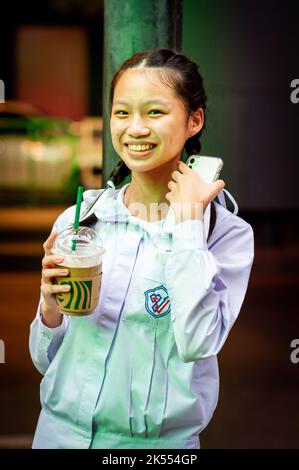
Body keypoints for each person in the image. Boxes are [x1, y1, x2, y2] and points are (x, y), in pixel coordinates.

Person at [29, 48, 254, 449]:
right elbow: (46, 362)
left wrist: (187, 228)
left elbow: (198, 341)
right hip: (57, 437)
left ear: (194, 120)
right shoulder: (81, 219)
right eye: (122, 113)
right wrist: (49, 311)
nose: (135, 129)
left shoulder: (225, 233)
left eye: (154, 112)